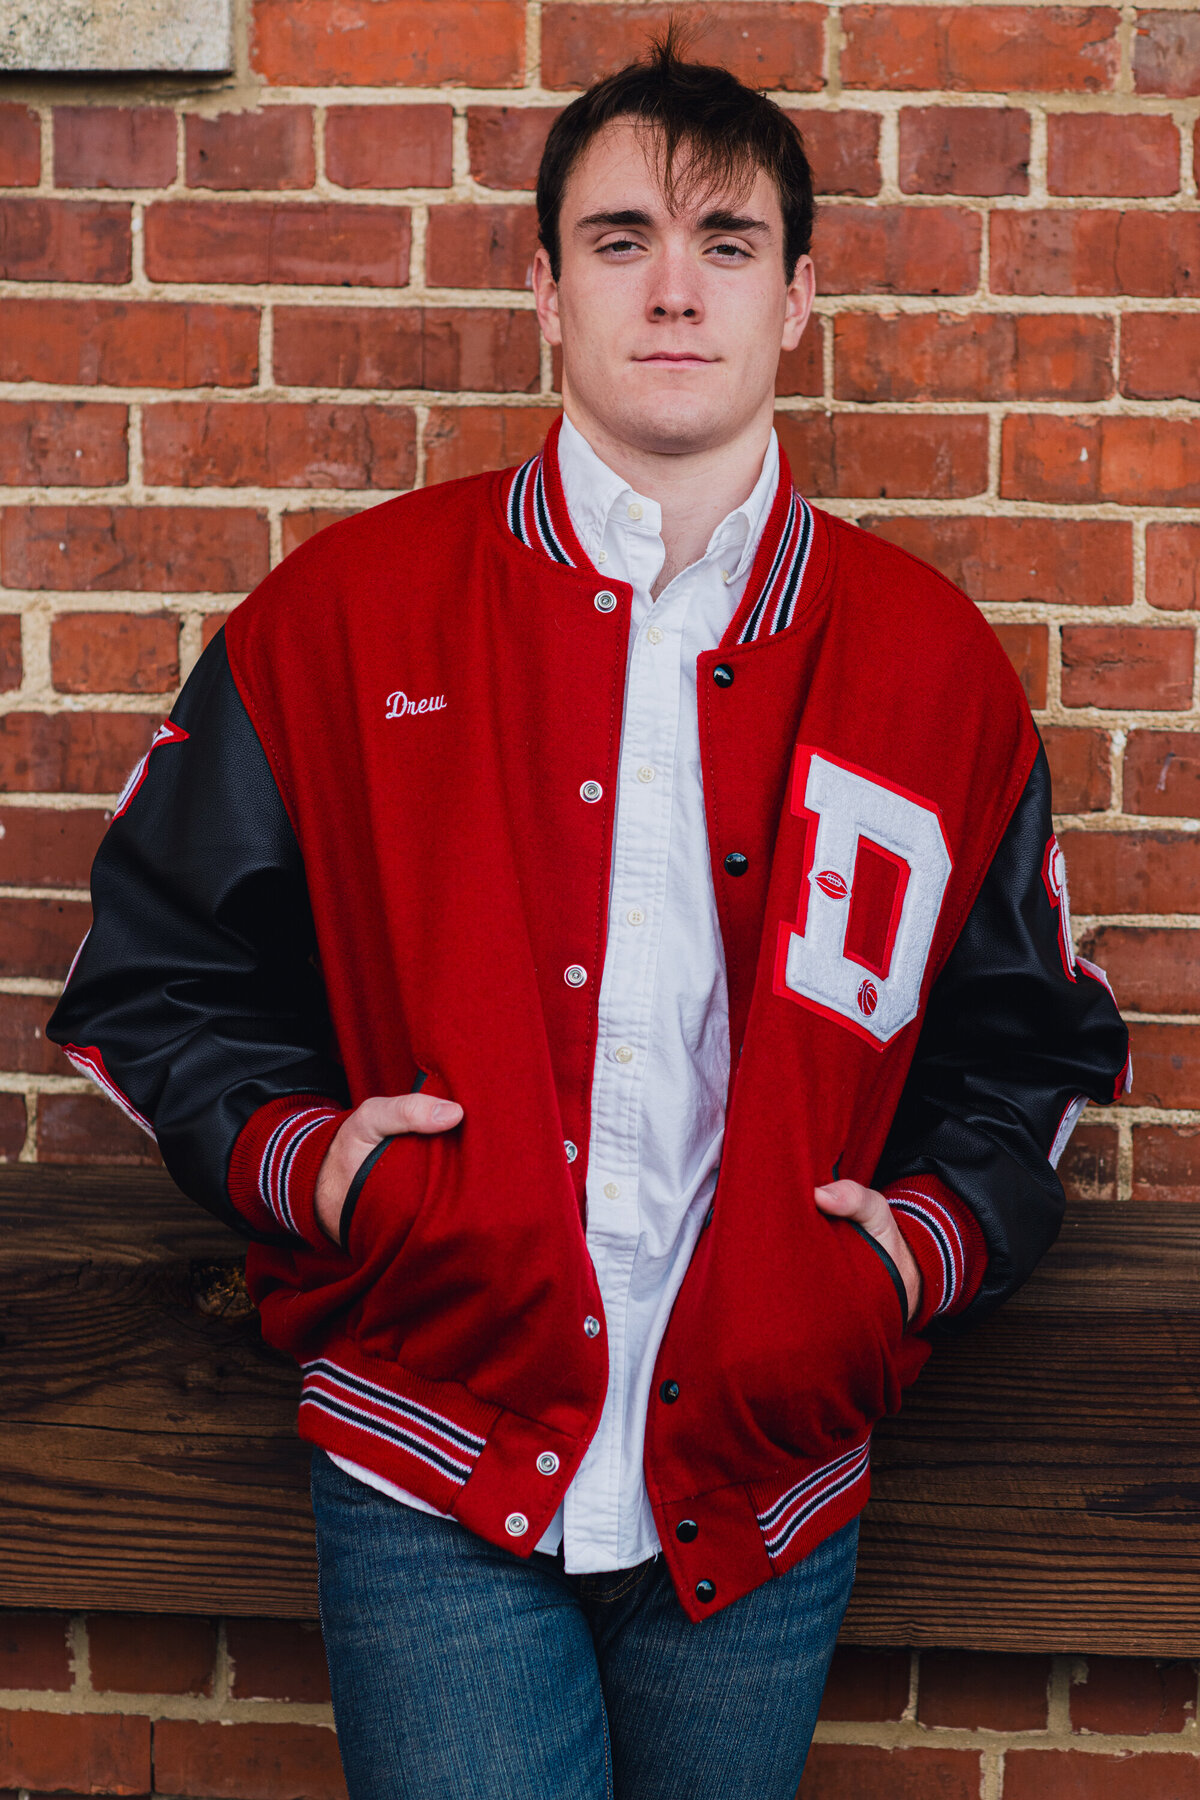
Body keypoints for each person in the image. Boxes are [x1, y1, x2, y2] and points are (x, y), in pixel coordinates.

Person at [48, 32, 1129, 1800]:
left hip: (767, 1474)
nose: (676, 289)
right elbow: (147, 980)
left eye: (729, 244)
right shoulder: (349, 617)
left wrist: (888, 1266)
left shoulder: (930, 669)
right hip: (435, 1443)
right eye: (623, 240)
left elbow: (1035, 1047)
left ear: (796, 299)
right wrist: (327, 1171)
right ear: (544, 289)